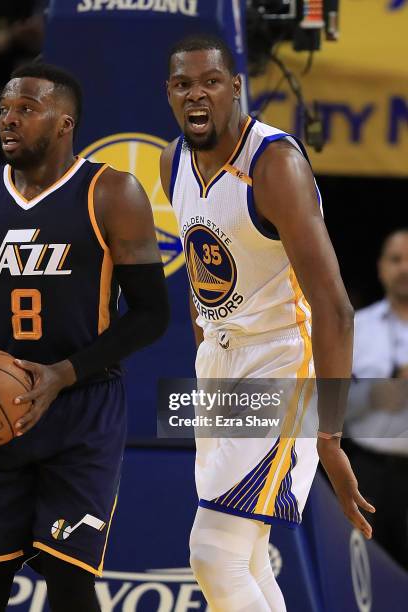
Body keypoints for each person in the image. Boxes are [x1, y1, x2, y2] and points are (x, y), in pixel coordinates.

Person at [0, 61, 169, 612]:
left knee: (70, 587)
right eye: (5, 110)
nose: (9, 120)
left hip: (80, 409)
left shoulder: (111, 193)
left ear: (64, 123)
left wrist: (62, 374)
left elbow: (152, 315)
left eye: (27, 110)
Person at [160, 34, 374, 612]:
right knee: (246, 556)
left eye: (210, 82)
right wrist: (207, 358)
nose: (196, 94)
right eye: (183, 84)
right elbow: (201, 276)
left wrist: (328, 434)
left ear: (236, 88)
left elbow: (335, 308)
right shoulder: (172, 160)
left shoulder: (274, 164)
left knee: (213, 553)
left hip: (284, 362)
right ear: (169, 94)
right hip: (221, 364)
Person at [346, 229, 408, 569]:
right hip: (367, 473)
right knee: (366, 572)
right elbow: (321, 400)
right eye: (396, 260)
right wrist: (369, 395)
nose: (404, 268)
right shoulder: (355, 327)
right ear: (381, 268)